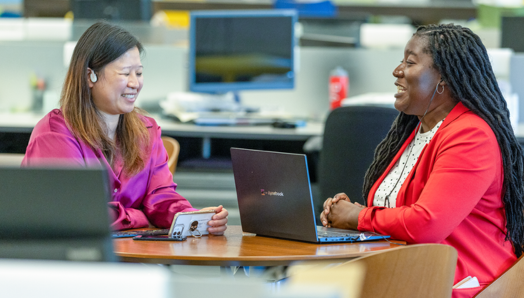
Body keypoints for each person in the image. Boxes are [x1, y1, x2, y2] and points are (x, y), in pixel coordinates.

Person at [320, 24, 524, 298]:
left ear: (443, 79)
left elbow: (426, 224)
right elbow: (405, 211)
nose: (397, 71)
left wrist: (357, 217)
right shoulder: (416, 130)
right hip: (408, 276)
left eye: (410, 62)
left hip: (462, 284)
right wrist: (347, 213)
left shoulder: (470, 135)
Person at [22, 21, 228, 235]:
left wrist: (193, 217)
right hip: (72, 259)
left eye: (138, 73)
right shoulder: (55, 133)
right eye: (125, 73)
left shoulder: (146, 130)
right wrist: (139, 216)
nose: (134, 83)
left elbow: (161, 198)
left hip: (132, 259)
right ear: (89, 76)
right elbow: (80, 212)